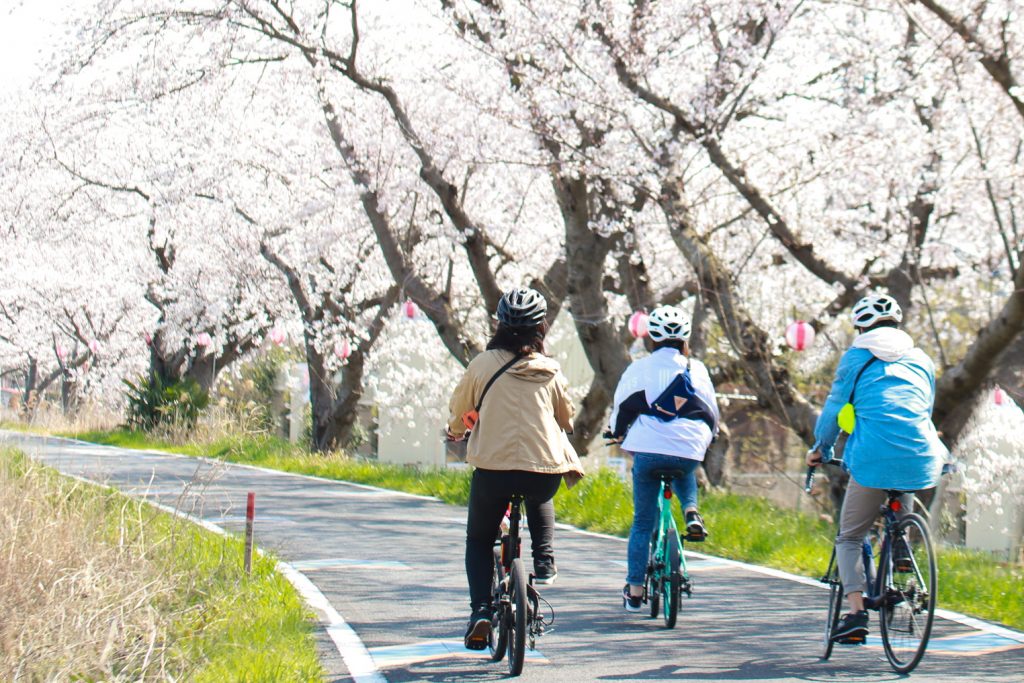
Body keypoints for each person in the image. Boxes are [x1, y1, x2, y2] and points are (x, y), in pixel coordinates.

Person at [807, 293, 948, 643]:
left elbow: (833, 410)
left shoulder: (856, 358)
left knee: (850, 537)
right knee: (902, 489)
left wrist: (820, 449)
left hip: (873, 457)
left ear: (861, 328)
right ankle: (901, 549)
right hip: (921, 454)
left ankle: (856, 614)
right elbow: (923, 408)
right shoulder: (922, 359)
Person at [447, 286, 580, 650]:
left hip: (494, 472)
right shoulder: (551, 370)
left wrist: (456, 430)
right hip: (542, 474)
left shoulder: (481, 365)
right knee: (540, 491)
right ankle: (544, 559)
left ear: (500, 325)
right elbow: (567, 417)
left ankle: (480, 610)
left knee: (479, 539)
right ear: (541, 328)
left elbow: (460, 411)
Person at [607, 305, 720, 612]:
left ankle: (634, 590)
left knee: (642, 523)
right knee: (684, 465)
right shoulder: (697, 369)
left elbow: (621, 408)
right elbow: (712, 411)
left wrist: (616, 432)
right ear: (685, 338)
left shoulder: (638, 369)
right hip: (690, 448)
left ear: (651, 338)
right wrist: (710, 436)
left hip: (648, 450)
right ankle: (691, 510)